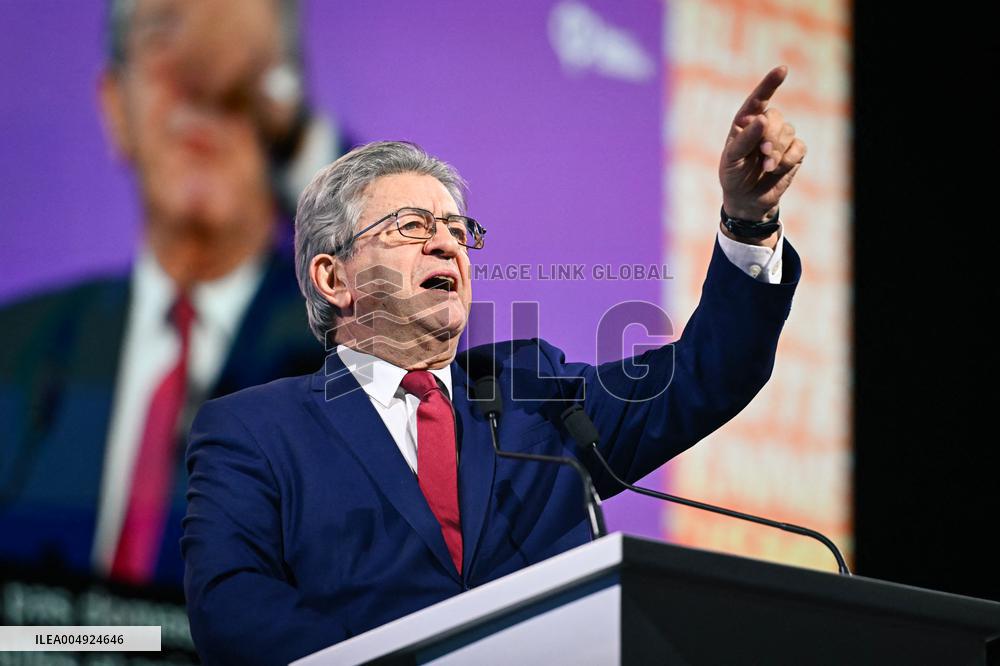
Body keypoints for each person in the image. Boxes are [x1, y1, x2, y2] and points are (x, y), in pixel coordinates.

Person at [182, 67, 805, 664]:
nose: (446, 243)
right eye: (412, 225)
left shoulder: (538, 395)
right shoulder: (253, 431)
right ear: (333, 277)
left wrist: (748, 223)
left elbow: (707, 374)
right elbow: (233, 609)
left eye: (458, 229)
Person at [0, 0, 335, 586]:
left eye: (233, 52)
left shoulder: (351, 367)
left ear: (287, 112)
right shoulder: (14, 354)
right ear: (115, 108)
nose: (200, 82)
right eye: (164, 38)